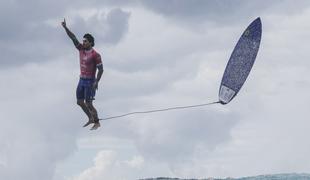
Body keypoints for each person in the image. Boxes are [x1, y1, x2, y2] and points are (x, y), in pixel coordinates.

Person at [61, 18, 104, 130]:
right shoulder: (81, 49)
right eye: (83, 41)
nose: (83, 42)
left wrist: (96, 81)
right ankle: (90, 118)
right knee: (79, 102)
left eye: (85, 41)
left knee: (89, 103)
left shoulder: (96, 55)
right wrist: (65, 28)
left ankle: (97, 122)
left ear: (90, 42)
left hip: (90, 82)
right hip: (81, 80)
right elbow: (73, 38)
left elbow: (101, 70)